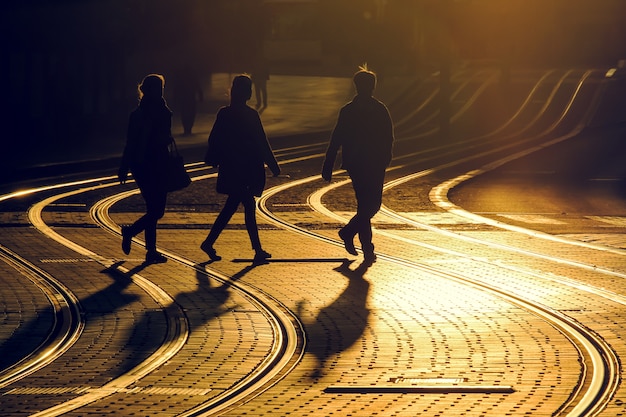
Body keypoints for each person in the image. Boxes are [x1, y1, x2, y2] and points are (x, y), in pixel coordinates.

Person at [201, 74, 280, 263]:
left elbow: (214, 139)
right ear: (246, 92)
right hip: (246, 168)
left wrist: (217, 157)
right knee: (247, 205)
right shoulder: (250, 115)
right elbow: (262, 142)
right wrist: (273, 165)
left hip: (231, 167)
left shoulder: (224, 113)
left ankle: (210, 242)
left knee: (231, 207)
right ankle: (257, 249)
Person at [321, 66, 394, 264]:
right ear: (372, 87)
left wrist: (329, 163)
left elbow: (337, 138)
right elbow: (388, 137)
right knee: (370, 206)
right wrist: (386, 156)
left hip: (357, 162)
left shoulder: (349, 110)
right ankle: (366, 248)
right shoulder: (379, 109)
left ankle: (352, 235)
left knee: (366, 206)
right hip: (372, 163)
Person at [118, 73, 173, 264]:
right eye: (157, 88)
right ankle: (135, 236)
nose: (160, 92)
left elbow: (130, 143)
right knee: (156, 210)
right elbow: (132, 142)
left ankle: (148, 248)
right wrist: (124, 165)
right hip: (152, 164)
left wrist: (125, 165)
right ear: (149, 91)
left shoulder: (140, 114)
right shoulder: (162, 113)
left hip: (145, 165)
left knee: (154, 209)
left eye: (161, 88)